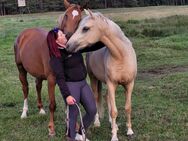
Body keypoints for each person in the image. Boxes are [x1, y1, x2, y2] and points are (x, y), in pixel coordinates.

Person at [47, 28, 104, 141]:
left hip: (83, 83)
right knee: (73, 114)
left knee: (92, 110)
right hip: (71, 86)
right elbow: (60, 78)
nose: (64, 35)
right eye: (61, 35)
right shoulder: (56, 57)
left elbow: (91, 47)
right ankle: (71, 137)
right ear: (56, 41)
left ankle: (79, 133)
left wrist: (104, 39)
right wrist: (67, 95)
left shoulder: (73, 47)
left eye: (63, 33)